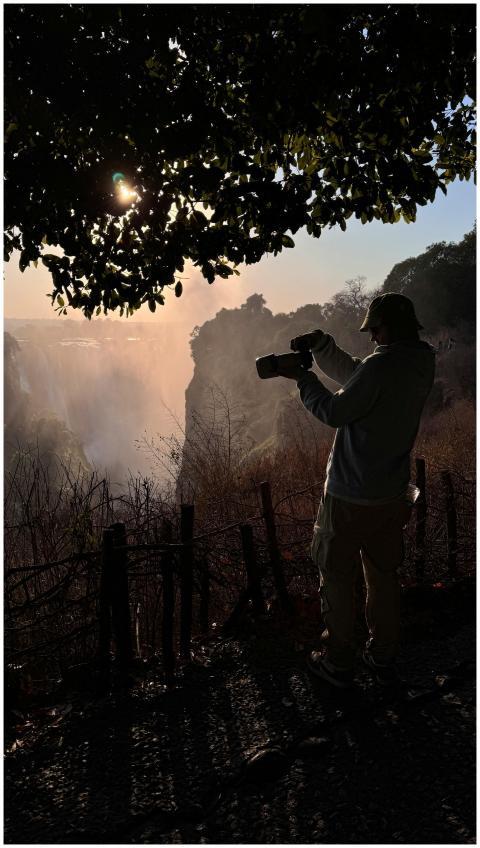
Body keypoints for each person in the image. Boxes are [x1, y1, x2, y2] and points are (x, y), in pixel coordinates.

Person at [277, 292, 436, 688]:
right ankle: (382, 653)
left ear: (388, 327)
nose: (371, 338)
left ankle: (338, 661)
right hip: (391, 491)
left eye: (375, 329)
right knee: (383, 576)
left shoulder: (382, 365)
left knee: (335, 575)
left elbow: (335, 411)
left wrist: (305, 379)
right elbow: (361, 376)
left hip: (350, 494)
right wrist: (323, 346)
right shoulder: (420, 360)